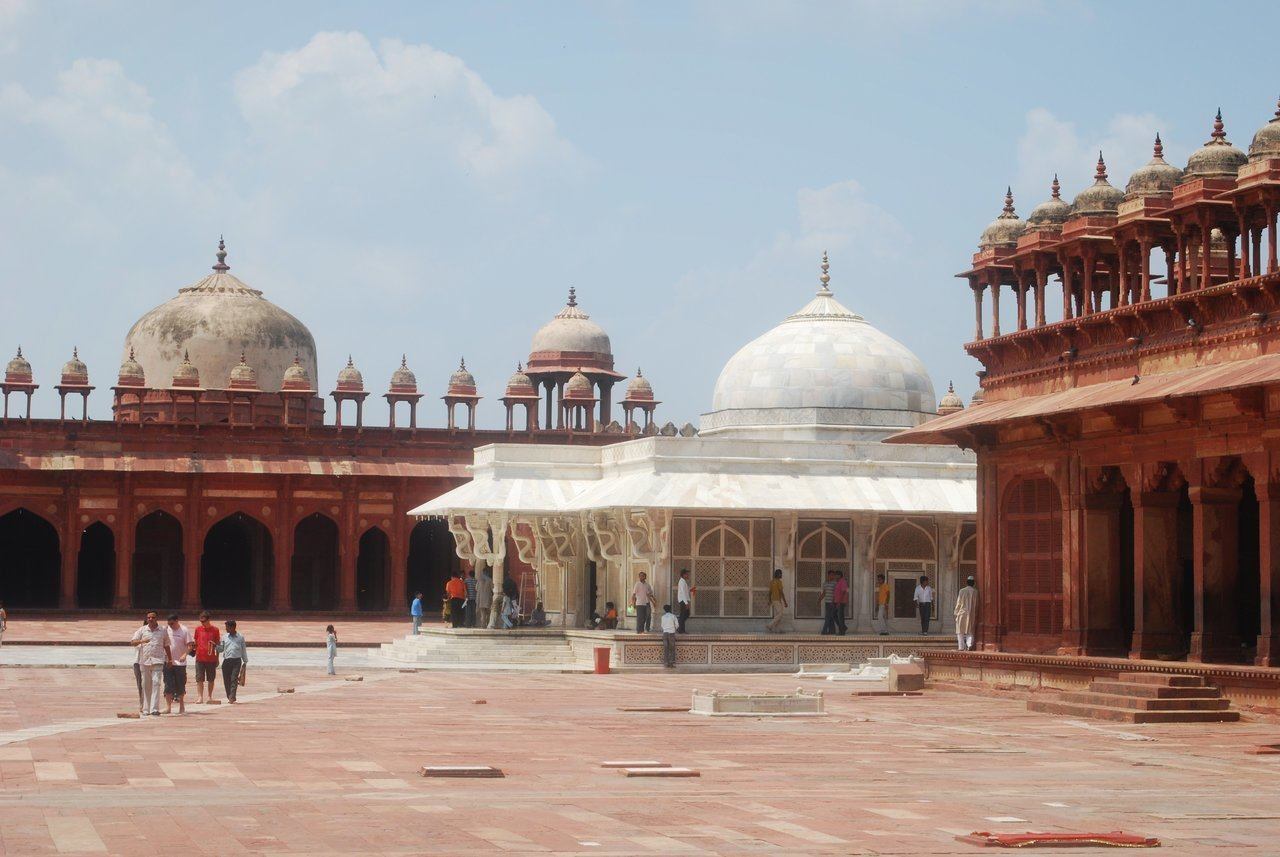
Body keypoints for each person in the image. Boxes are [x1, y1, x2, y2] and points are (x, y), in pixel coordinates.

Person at [130, 611, 169, 716]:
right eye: (148, 617)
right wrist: (142, 641)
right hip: (145, 661)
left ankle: (154, 709)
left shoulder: (163, 630)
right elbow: (132, 642)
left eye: (152, 617)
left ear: (157, 618)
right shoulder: (142, 630)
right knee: (146, 685)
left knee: (156, 683)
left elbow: (167, 645)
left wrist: (169, 659)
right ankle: (146, 709)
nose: (150, 619)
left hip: (158, 660)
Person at [162, 613, 192, 715]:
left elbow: (190, 646)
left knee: (180, 685)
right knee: (168, 684)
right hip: (168, 662)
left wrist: (185, 655)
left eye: (172, 623)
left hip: (180, 663)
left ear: (177, 621)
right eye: (169, 624)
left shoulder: (184, 630)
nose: (171, 626)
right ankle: (168, 707)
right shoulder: (166, 629)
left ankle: (182, 706)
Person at [216, 620, 247, 704]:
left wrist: (245, 661)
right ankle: (229, 695)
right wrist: (216, 646)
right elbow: (221, 649)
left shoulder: (240, 637)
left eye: (227, 627)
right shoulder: (224, 637)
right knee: (226, 680)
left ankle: (232, 697)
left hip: (236, 661)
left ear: (233, 627)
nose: (226, 629)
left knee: (234, 679)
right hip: (226, 661)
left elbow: (243, 649)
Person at [193, 611, 220, 704]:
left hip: (211, 658)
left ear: (208, 620)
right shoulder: (198, 629)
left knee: (211, 678)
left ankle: (209, 696)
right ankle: (200, 697)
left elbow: (218, 645)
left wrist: (217, 658)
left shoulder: (215, 630)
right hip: (200, 657)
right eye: (201, 621)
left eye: (204, 621)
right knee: (199, 678)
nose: (202, 623)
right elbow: (196, 642)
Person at [954, 576, 978, 651]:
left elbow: (959, 603)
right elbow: (977, 604)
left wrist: (956, 613)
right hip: (971, 614)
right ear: (973, 583)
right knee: (970, 631)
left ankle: (961, 647)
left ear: (966, 582)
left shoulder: (962, 591)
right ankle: (969, 645)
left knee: (960, 631)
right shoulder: (975, 592)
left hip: (962, 613)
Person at [765, 569, 788, 633]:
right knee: (780, 614)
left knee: (777, 616)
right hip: (777, 600)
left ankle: (777, 630)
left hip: (773, 600)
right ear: (778, 574)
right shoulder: (779, 582)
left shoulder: (772, 582)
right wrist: (785, 602)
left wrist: (769, 600)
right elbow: (781, 592)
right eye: (781, 574)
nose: (781, 575)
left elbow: (770, 592)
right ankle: (770, 625)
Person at [819, 570, 839, 635]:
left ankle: (824, 631)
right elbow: (824, 593)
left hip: (832, 603)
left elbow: (836, 593)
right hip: (827, 602)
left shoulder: (835, 583)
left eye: (833, 575)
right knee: (830, 617)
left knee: (828, 617)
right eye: (831, 575)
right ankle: (832, 631)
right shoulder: (825, 583)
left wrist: (833, 601)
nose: (832, 576)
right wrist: (819, 599)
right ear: (828, 575)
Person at [660, 604, 678, 668]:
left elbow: (662, 625)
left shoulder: (663, 617)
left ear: (664, 610)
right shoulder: (673, 616)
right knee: (672, 648)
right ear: (670, 609)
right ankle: (671, 663)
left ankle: (666, 663)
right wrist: (674, 629)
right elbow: (677, 625)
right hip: (671, 633)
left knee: (666, 648)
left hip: (665, 634)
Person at [676, 568, 694, 633]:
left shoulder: (683, 582)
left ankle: (680, 628)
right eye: (687, 574)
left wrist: (691, 589)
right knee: (683, 615)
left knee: (686, 614)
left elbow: (686, 591)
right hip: (683, 601)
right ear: (684, 575)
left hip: (684, 600)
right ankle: (681, 629)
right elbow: (683, 593)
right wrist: (686, 603)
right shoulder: (681, 582)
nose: (688, 575)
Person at [833, 570, 849, 636]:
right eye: (835, 575)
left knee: (840, 617)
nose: (835, 576)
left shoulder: (843, 581)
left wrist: (839, 601)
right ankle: (843, 627)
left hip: (841, 602)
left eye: (837, 575)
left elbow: (843, 592)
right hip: (837, 601)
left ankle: (842, 631)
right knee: (834, 615)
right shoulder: (838, 582)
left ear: (840, 575)